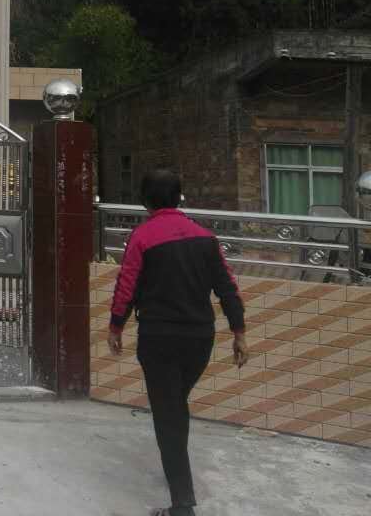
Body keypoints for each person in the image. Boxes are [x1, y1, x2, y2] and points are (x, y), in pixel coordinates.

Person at [108, 169, 248, 516]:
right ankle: (176, 471)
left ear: (145, 201)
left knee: (168, 412)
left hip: (158, 339)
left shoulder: (142, 237)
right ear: (178, 198)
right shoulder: (205, 237)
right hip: (199, 340)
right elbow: (227, 286)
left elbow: (126, 285)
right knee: (174, 405)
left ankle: (182, 504)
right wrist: (239, 332)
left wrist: (116, 326)